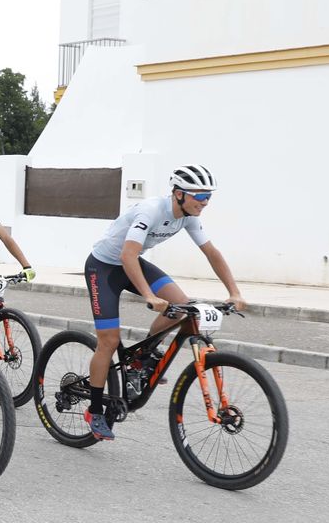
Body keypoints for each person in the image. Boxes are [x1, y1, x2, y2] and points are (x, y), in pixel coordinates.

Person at [82, 164, 245, 441]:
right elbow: (127, 255)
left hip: (132, 264)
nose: (205, 203)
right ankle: (95, 409)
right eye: (200, 197)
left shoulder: (189, 216)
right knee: (108, 341)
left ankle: (139, 359)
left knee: (182, 307)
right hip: (104, 267)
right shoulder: (152, 210)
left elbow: (211, 252)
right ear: (179, 194)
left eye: (209, 197)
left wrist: (234, 291)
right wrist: (148, 295)